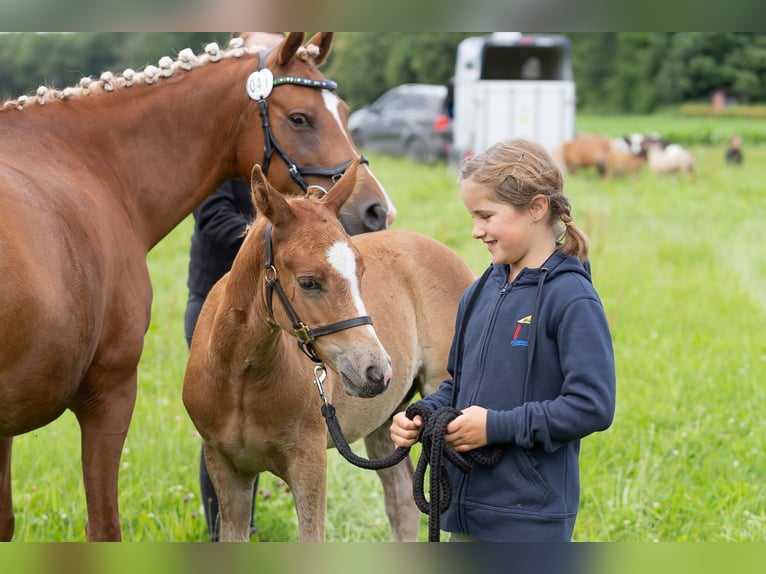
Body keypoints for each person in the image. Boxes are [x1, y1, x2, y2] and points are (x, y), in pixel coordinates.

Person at [390, 138, 616, 542]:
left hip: (528, 520)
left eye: (486, 215)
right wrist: (424, 413)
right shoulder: (480, 291)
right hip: (462, 507)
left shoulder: (571, 298)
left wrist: (496, 427)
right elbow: (457, 384)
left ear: (536, 208)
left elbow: (593, 406)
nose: (476, 230)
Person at [185, 179, 258, 541]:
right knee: (219, 429)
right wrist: (266, 239)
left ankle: (246, 524)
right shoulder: (219, 158)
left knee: (261, 421)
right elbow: (212, 215)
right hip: (213, 302)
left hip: (266, 305)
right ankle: (221, 530)